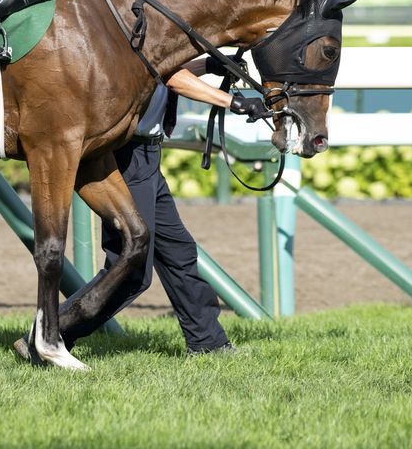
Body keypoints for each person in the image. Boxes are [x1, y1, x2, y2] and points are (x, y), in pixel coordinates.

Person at [19, 59, 269, 359]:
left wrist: (207, 66)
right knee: (130, 269)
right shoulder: (140, 34)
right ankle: (48, 334)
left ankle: (208, 342)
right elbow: (170, 76)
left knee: (178, 252)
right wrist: (231, 102)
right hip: (126, 157)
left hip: (147, 156)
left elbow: (166, 70)